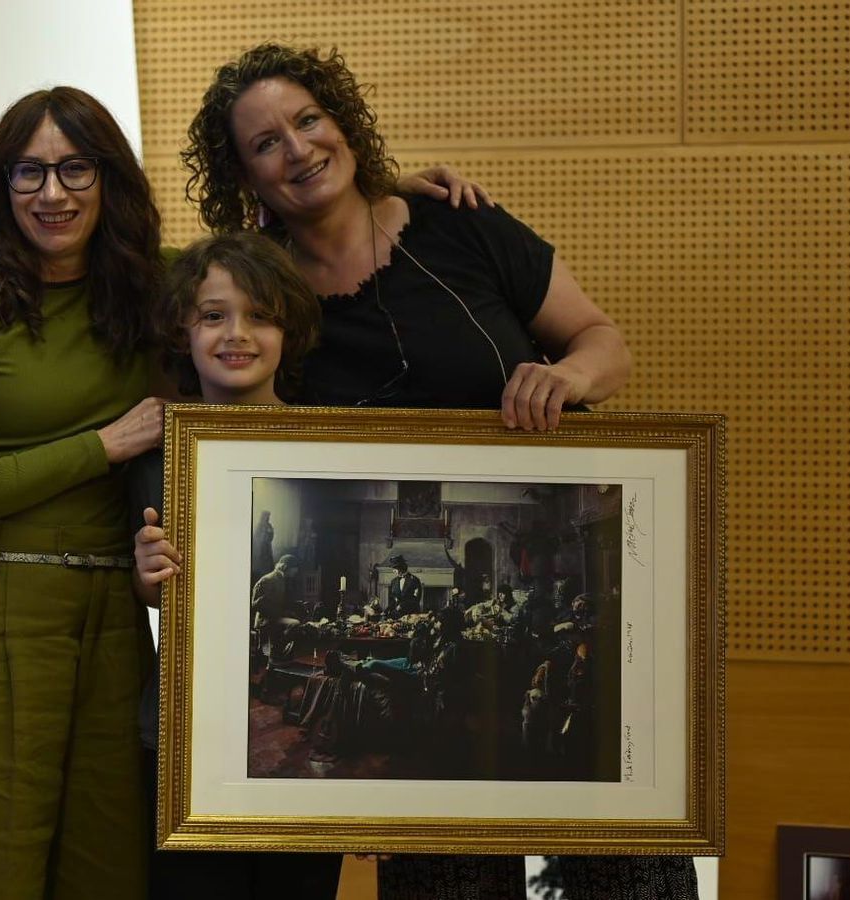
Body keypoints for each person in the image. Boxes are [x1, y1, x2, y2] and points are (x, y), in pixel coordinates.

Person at [183, 41, 692, 900]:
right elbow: (166, 318)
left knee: (627, 873)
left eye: (309, 120)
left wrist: (568, 378)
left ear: (343, 122)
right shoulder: (258, 292)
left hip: (610, 689)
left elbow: (605, 341)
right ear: (243, 173)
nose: (299, 149)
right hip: (432, 780)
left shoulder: (461, 225)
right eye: (266, 142)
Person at [0, 87, 167, 900]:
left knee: (108, 877)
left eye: (75, 168)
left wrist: (392, 195)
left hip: (115, 625)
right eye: (29, 172)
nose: (53, 193)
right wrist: (102, 445)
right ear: (1, 184)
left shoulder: (155, 294)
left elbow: (271, 266)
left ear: (109, 179)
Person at [126, 232, 343, 900]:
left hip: (298, 786)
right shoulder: (154, 457)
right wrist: (146, 576)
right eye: (213, 315)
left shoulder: (338, 445)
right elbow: (158, 599)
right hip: (184, 742)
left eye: (261, 315)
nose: (237, 334)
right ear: (183, 331)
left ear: (289, 331)